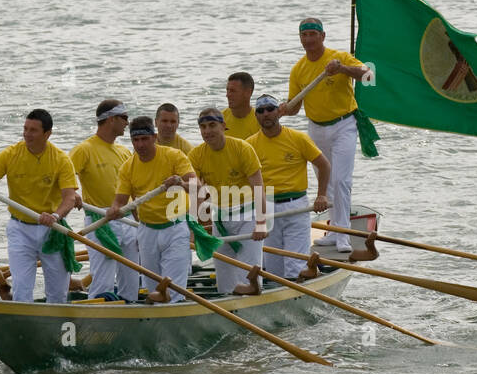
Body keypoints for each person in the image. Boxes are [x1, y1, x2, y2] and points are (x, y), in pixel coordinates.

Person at [283, 17, 370, 254]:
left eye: (313, 34)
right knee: (329, 181)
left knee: (342, 180)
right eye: (304, 35)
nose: (308, 40)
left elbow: (368, 75)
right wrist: (283, 109)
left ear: (323, 36)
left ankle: (343, 233)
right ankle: (333, 231)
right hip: (316, 128)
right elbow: (294, 108)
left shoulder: (338, 57)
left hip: (344, 125)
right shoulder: (298, 69)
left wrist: (341, 69)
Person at [0, 109, 79, 303]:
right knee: (22, 288)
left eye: (33, 130)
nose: (27, 134)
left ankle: (53, 325)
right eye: (25, 129)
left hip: (52, 230)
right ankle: (22, 327)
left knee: (57, 293)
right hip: (20, 229)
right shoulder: (9, 154)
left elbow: (70, 199)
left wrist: (55, 216)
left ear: (47, 134)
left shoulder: (61, 159)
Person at [107, 117, 196, 303]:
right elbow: (120, 202)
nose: (140, 145)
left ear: (154, 137)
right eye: (136, 140)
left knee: (172, 291)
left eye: (144, 139)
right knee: (154, 290)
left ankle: (175, 309)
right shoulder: (128, 168)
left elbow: (197, 187)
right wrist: (114, 210)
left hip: (175, 229)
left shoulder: (174, 156)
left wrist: (180, 182)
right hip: (147, 231)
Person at [247, 94, 330, 279]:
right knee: (274, 269)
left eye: (270, 109)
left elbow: (324, 165)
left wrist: (321, 195)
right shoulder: (249, 145)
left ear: (278, 111)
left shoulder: (298, 138)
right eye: (260, 111)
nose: (266, 114)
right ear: (256, 116)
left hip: (296, 206)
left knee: (294, 265)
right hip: (266, 208)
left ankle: (299, 292)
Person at [189, 107, 267, 295]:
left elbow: (259, 187)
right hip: (221, 219)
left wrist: (262, 223)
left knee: (249, 276)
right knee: (224, 280)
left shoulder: (242, 148)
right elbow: (196, 195)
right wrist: (194, 227)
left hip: (248, 217)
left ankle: (253, 297)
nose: (207, 131)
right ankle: (228, 306)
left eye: (212, 125)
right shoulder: (196, 155)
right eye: (203, 127)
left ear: (224, 126)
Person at [68, 99, 140, 301]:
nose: (127, 122)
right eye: (124, 118)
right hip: (102, 221)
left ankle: (130, 309)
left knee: (132, 278)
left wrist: (140, 220)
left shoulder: (125, 152)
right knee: (104, 278)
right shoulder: (85, 149)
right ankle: (97, 311)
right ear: (110, 119)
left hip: (128, 221)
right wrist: (73, 193)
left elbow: (133, 188)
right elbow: (65, 175)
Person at [222, 72, 261, 140]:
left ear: (248, 93)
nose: (227, 95)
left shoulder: (260, 120)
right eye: (227, 90)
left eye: (233, 91)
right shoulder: (220, 119)